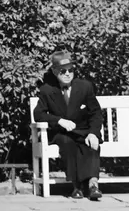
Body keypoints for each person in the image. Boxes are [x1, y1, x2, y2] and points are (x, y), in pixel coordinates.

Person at [33, 50, 103, 200]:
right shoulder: (47, 90)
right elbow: (38, 114)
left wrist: (93, 133)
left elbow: (96, 112)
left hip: (84, 131)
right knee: (67, 143)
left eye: (70, 70)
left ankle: (92, 185)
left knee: (90, 145)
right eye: (62, 71)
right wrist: (59, 120)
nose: (67, 74)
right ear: (54, 71)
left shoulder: (84, 87)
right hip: (62, 133)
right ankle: (76, 186)